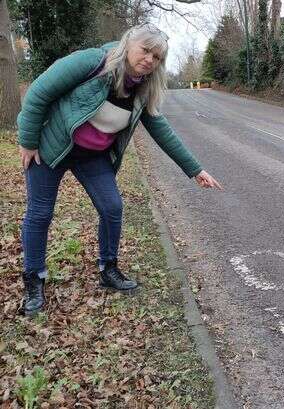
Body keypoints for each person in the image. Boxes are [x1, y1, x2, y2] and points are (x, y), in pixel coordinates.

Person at [17, 23, 222, 316]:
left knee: (112, 207)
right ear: (128, 44)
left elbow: (161, 129)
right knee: (40, 212)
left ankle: (108, 269)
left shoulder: (143, 88)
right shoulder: (93, 62)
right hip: (51, 147)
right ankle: (33, 279)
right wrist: (28, 140)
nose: (150, 59)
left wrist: (194, 170)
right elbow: (39, 91)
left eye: (157, 57)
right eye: (146, 50)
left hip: (92, 156)